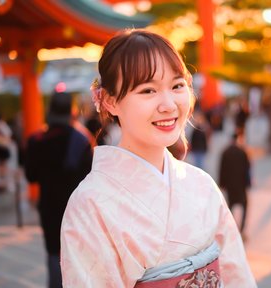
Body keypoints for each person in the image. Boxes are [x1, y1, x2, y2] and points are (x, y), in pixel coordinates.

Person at [60, 30, 256, 287]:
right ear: (109, 101)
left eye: (177, 86)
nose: (168, 105)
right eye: (148, 90)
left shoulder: (201, 184)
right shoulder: (89, 204)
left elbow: (237, 276)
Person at [24, 91, 94, 288]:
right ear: (72, 111)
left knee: (54, 253)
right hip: (78, 208)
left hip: (49, 206)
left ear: (49, 111)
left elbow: (31, 176)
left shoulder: (36, 140)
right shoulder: (81, 140)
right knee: (79, 256)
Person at [218, 132, 251, 237]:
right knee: (244, 206)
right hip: (241, 185)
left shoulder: (225, 152)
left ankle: (230, 229)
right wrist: (248, 183)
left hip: (230, 186)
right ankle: (241, 229)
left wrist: (222, 183)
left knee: (230, 207)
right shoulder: (243, 152)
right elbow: (247, 170)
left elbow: (222, 169)